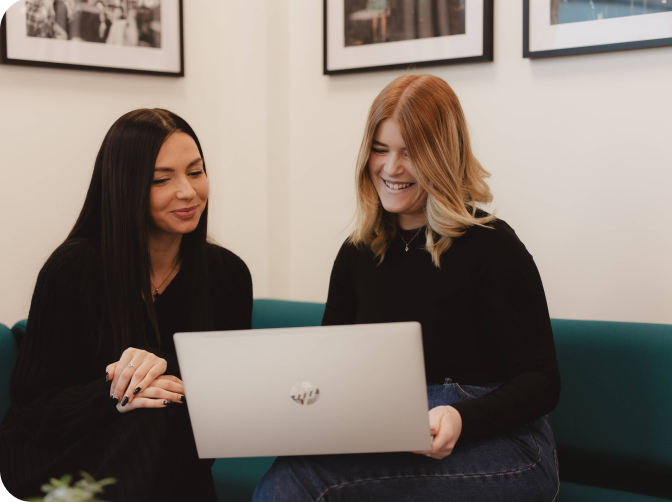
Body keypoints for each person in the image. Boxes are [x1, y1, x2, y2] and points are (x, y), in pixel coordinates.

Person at [253, 74, 560, 501]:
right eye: (380, 150)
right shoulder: (357, 253)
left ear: (441, 157)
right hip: (398, 437)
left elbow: (542, 380)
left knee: (300, 482)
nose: (391, 168)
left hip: (508, 448)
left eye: (410, 153)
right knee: (293, 470)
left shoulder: (492, 245)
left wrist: (459, 417)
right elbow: (329, 371)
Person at [0, 109, 253, 502]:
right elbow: (35, 406)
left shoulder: (228, 275)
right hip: (62, 452)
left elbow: (230, 390)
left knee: (166, 409)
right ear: (125, 186)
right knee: (156, 409)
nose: (188, 191)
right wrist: (121, 389)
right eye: (161, 179)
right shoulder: (73, 269)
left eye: (196, 171)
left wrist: (163, 367)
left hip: (171, 449)